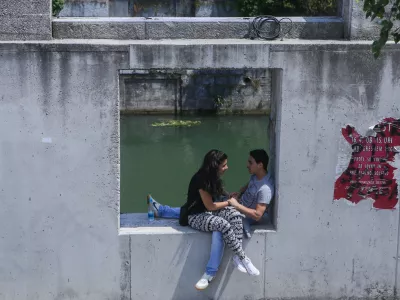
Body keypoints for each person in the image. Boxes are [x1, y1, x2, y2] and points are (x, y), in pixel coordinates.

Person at [147, 149, 273, 290]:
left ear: (260, 165)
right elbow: (210, 206)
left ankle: (237, 259)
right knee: (221, 226)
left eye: (250, 162)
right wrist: (231, 202)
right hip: (198, 215)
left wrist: (230, 199)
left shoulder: (262, 187)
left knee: (233, 216)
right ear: (215, 166)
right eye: (224, 165)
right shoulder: (203, 180)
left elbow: (221, 197)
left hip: (207, 210)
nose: (227, 167)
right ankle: (220, 268)